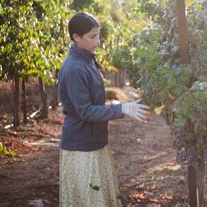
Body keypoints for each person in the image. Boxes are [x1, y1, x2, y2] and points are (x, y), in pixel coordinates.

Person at [58, 12, 151, 206]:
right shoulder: (75, 68)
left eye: (98, 35)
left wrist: (120, 107)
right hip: (81, 146)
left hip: (94, 141)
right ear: (76, 37)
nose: (98, 41)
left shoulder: (86, 60)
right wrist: (122, 109)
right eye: (92, 37)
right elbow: (86, 111)